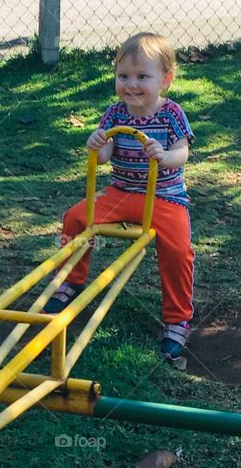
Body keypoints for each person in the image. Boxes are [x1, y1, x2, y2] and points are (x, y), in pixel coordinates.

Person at [46, 32, 194, 362]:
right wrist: (97, 144)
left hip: (164, 197)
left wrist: (164, 155)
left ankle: (177, 318)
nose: (131, 85)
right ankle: (72, 280)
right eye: (123, 76)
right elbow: (103, 157)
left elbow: (182, 153)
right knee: (75, 218)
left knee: (178, 250)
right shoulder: (115, 114)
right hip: (122, 192)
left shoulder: (171, 114)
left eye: (142, 76)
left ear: (165, 80)